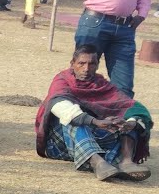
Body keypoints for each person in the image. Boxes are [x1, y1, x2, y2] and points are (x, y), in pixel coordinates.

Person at [35, 44, 151, 182]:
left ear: (97, 65)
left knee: (129, 119)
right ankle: (96, 162)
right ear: (72, 63)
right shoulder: (62, 80)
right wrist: (95, 121)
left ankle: (126, 162)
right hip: (62, 143)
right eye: (81, 63)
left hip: (96, 137)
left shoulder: (101, 84)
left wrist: (129, 123)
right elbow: (60, 106)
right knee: (73, 118)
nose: (86, 69)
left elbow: (131, 106)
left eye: (91, 64)